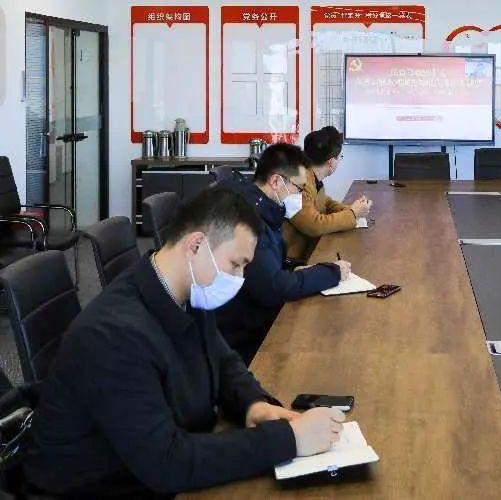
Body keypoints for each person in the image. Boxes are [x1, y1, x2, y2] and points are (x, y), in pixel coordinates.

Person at [24, 188, 345, 498]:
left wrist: (254, 404)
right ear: (196, 245)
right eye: (236, 264)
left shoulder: (185, 290)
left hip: (154, 466)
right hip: (107, 486)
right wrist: (288, 440)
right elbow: (166, 462)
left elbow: (222, 359)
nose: (240, 278)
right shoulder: (112, 336)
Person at [216, 143, 350, 363]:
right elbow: (272, 288)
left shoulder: (258, 206)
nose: (300, 196)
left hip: (245, 315)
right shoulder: (249, 223)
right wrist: (331, 273)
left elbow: (267, 265)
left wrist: (296, 267)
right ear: (276, 181)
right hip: (240, 337)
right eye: (299, 188)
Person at [283, 126, 371, 259]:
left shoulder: (310, 175)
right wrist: (352, 213)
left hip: (308, 248)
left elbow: (323, 201)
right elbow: (313, 225)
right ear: (331, 162)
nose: (339, 160)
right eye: (339, 157)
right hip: (295, 259)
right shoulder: (299, 181)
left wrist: (352, 209)